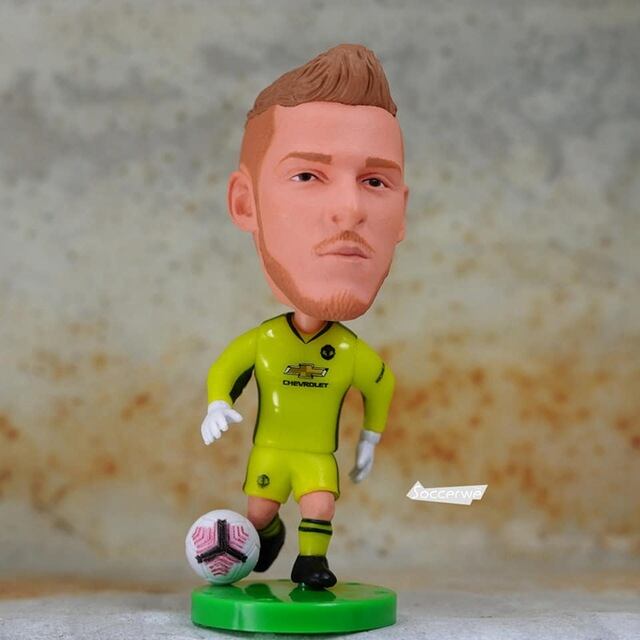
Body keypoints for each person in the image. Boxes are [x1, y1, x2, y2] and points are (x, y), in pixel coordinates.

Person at [200, 44, 409, 589]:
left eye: (375, 181)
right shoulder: (266, 340)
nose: (351, 210)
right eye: (308, 176)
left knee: (320, 504)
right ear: (245, 203)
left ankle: (311, 563)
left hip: (317, 455)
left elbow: (380, 385)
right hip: (270, 453)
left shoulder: (349, 352)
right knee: (259, 512)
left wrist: (370, 439)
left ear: (402, 214)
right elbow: (228, 368)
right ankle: (263, 537)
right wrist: (218, 402)